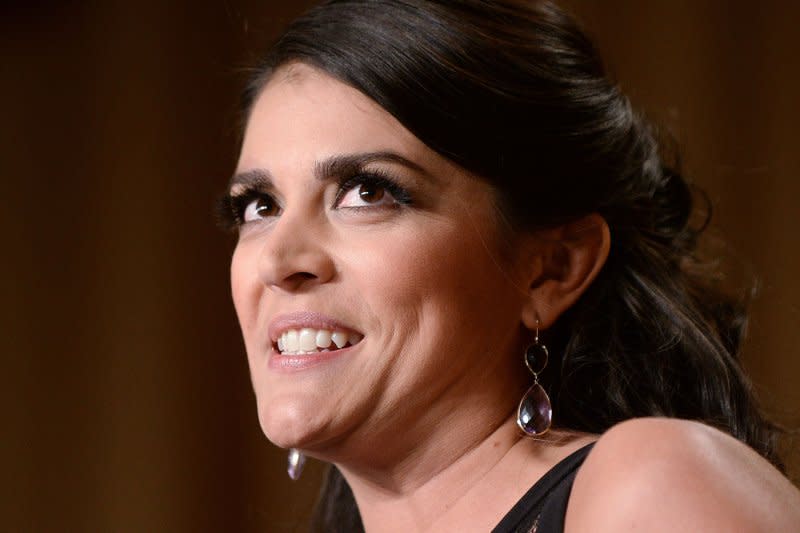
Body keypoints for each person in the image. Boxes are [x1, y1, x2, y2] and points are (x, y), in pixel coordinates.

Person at [217, 0, 800, 531]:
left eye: (368, 192)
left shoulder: (648, 490)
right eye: (259, 206)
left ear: (552, 269)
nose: (280, 261)